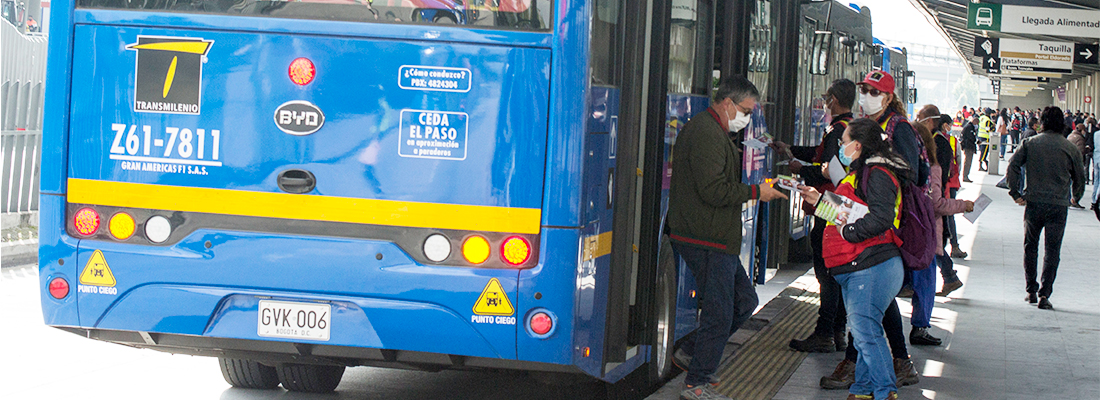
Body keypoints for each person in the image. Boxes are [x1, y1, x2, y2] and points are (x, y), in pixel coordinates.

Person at [667, 75, 787, 400]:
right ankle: (697, 382)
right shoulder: (706, 133)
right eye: (746, 110)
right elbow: (713, 190)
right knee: (720, 312)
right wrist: (756, 192)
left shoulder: (715, 131)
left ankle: (693, 352)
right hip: (705, 236)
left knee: (745, 301)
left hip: (716, 236)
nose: (747, 118)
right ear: (728, 103)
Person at [800, 118, 909, 400]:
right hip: (859, 265)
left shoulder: (879, 173)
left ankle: (885, 392)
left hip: (871, 265)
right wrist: (819, 200)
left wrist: (849, 233)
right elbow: (850, 210)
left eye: (844, 141)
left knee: (865, 333)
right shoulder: (862, 172)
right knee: (863, 334)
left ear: (857, 145)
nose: (840, 146)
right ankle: (862, 389)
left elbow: (880, 218)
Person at [778, 78, 856, 353]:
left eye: (826, 97)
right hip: (841, 201)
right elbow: (820, 155)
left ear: (834, 99)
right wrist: (792, 151)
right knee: (835, 267)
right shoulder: (848, 127)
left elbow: (828, 168)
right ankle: (838, 331)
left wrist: (800, 169)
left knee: (826, 267)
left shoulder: (836, 131)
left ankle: (824, 332)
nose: (825, 101)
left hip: (829, 202)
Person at [1007, 106, 1086, 311]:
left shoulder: (1030, 143)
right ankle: (1045, 294)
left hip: (1034, 203)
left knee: (1030, 246)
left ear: (1041, 122)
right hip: (1058, 206)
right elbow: (1080, 176)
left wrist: (1015, 193)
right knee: (1052, 250)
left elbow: (1013, 165)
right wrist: (1076, 196)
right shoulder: (1069, 148)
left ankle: (1031, 290)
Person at [1068, 125, 1088, 209]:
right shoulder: (1080, 139)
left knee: (1069, 182)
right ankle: (1075, 200)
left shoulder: (1070, 135)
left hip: (1068, 161)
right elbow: (1081, 152)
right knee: (1079, 182)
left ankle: (1069, 199)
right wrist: (1087, 149)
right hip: (1076, 163)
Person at [960, 115, 978, 182]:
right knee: (968, 162)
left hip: (969, 146)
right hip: (968, 147)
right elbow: (970, 138)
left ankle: (966, 175)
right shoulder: (969, 127)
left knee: (968, 162)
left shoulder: (970, 127)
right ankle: (965, 176)